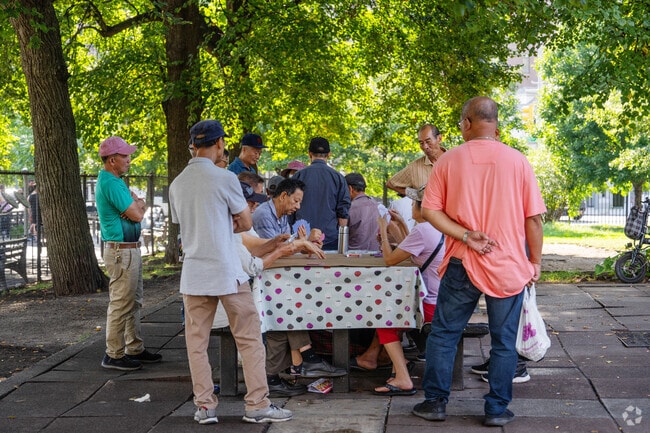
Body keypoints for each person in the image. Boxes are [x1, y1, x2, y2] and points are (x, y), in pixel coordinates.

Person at [412, 97, 545, 427]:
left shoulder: (448, 161)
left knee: (444, 334)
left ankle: (435, 404)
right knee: (503, 340)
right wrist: (536, 261)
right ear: (496, 125)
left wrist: (465, 235)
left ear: (466, 123)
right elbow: (534, 220)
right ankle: (497, 409)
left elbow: (429, 211)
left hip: (462, 260)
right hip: (509, 264)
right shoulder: (518, 161)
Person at [169, 119, 292, 424]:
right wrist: (229, 222)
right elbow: (246, 222)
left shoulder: (177, 183)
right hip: (226, 270)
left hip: (194, 272)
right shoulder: (225, 179)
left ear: (192, 145)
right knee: (249, 338)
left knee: (196, 344)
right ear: (221, 143)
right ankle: (257, 404)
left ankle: (205, 406)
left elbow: (184, 225)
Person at [252, 177, 345, 385]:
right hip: (259, 279)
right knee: (288, 307)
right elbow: (276, 248)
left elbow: (286, 244)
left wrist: (304, 241)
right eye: (296, 201)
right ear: (283, 196)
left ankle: (281, 373)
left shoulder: (280, 215)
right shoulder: (263, 215)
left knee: (285, 313)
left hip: (274, 280)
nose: (298, 206)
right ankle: (306, 357)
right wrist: (302, 242)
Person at [353, 186, 444, 396]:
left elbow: (389, 260)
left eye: (413, 204)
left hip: (429, 306)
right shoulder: (435, 227)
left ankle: (402, 377)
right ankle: (381, 358)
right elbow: (411, 248)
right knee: (393, 309)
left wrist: (384, 230)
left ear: (423, 208)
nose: (410, 206)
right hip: (441, 300)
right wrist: (401, 224)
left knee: (384, 318)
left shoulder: (423, 230)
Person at [95, 136, 162, 371]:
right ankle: (113, 354)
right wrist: (137, 206)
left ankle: (134, 347)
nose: (129, 159)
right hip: (121, 252)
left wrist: (138, 203)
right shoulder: (112, 183)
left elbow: (137, 207)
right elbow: (137, 214)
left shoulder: (116, 180)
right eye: (125, 156)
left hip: (128, 250)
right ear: (112, 160)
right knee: (122, 303)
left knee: (133, 301)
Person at [291, 137, 351, 251]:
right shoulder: (338, 178)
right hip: (330, 238)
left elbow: (289, 210)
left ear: (309, 154)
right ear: (329, 154)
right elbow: (343, 212)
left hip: (302, 239)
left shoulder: (298, 176)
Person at [386, 124, 445, 196]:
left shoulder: (456, 160)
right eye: (421, 143)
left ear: (439, 138)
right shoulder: (414, 168)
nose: (425, 146)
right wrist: (416, 195)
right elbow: (390, 184)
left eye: (428, 141)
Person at [344, 173, 380, 251]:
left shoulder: (348, 208)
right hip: (376, 256)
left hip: (353, 257)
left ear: (350, 189)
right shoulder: (379, 207)